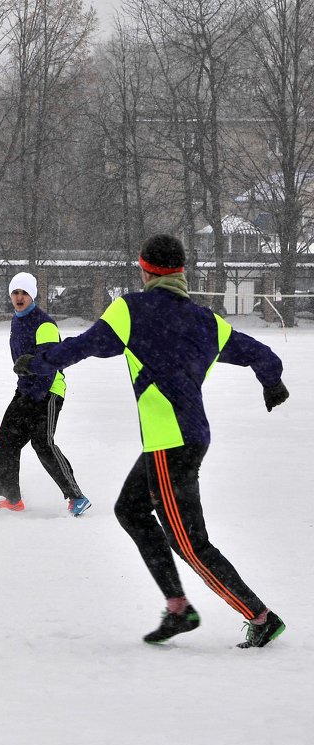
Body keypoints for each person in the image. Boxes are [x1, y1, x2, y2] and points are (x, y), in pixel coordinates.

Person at [14, 233, 289, 648]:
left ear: (145, 270)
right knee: (131, 510)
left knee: (189, 543)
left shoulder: (132, 309)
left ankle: (260, 616)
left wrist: (39, 362)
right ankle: (178, 607)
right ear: (181, 272)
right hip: (187, 438)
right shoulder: (205, 321)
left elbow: (85, 346)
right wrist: (272, 383)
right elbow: (261, 353)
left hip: (170, 443)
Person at [0, 272, 90, 515]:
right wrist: (25, 392)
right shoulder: (17, 320)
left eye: (24, 293)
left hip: (49, 390)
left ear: (32, 296)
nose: (19, 297)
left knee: (42, 443)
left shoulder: (43, 323)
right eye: (15, 292)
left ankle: (77, 497)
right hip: (25, 389)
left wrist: (34, 396)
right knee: (5, 441)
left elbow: (50, 363)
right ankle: (12, 499)